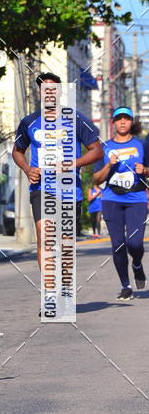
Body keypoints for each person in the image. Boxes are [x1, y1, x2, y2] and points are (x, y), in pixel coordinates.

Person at [12, 72, 103, 300]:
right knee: (45, 236)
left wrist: (73, 163)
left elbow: (97, 150)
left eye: (53, 89)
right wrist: (27, 169)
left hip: (70, 189)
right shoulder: (30, 122)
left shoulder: (76, 119)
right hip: (42, 187)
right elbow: (17, 151)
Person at [92, 107, 149, 301]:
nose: (122, 122)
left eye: (126, 118)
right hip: (112, 199)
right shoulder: (105, 147)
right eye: (119, 119)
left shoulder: (142, 144)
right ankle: (126, 286)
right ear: (113, 123)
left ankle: (137, 265)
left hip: (136, 199)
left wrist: (145, 170)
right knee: (117, 245)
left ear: (131, 122)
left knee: (134, 243)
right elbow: (96, 180)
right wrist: (109, 165)